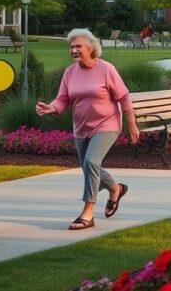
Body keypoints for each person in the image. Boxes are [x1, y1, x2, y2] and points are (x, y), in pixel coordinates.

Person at [36, 28, 139, 230]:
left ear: (91, 48)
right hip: (81, 127)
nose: (74, 50)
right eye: (72, 46)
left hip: (107, 124)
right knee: (88, 167)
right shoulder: (70, 72)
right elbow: (63, 99)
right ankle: (116, 188)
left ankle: (87, 213)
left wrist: (132, 124)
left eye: (78, 46)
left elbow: (124, 97)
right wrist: (52, 107)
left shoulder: (106, 69)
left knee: (91, 162)